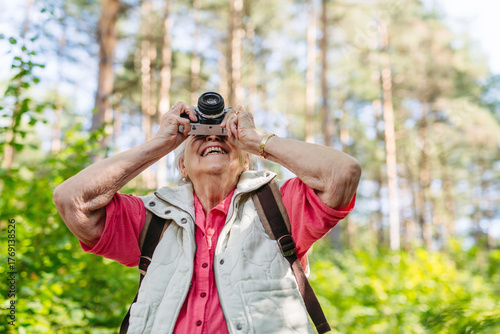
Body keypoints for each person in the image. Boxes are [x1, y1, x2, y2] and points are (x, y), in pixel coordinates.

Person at [53, 101, 361, 334]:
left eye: (226, 137)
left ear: (245, 162)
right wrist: (160, 143)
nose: (214, 140)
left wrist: (256, 140)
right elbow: (71, 199)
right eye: (200, 137)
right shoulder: (151, 217)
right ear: (182, 167)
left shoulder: (280, 205)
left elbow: (343, 173)